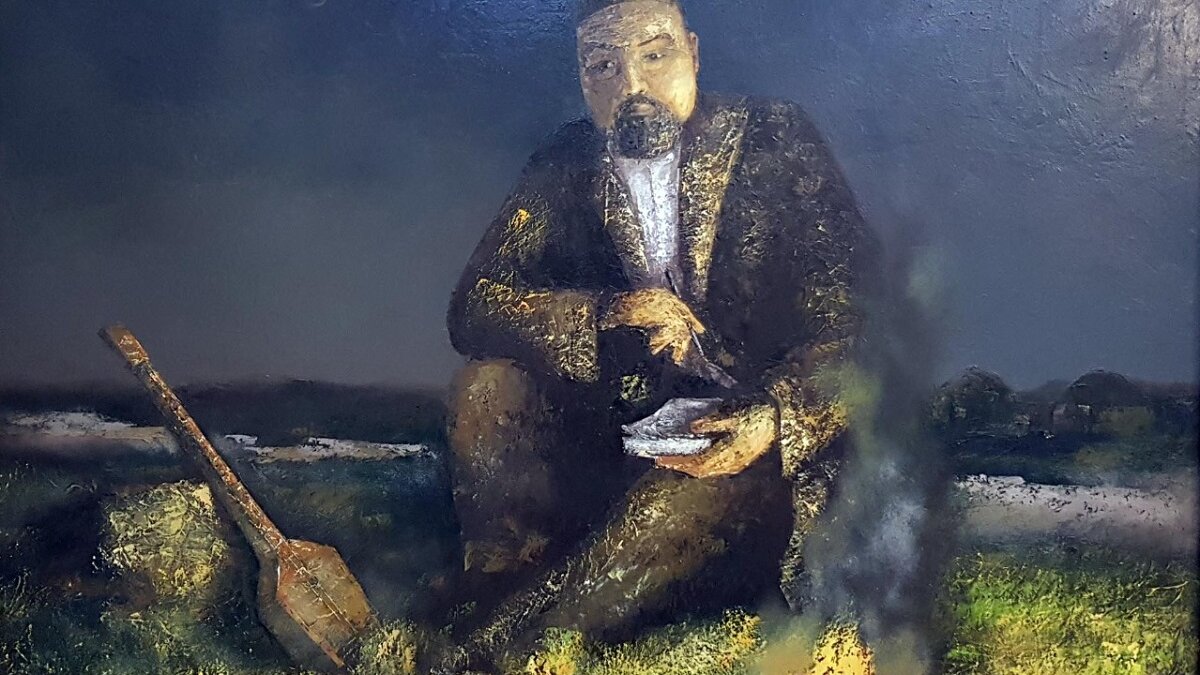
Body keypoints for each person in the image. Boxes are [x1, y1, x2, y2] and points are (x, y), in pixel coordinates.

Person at [440, 0, 876, 668]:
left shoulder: (776, 138)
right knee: (485, 387)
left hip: (754, 448)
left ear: (692, 53)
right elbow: (473, 305)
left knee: (676, 501)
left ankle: (516, 645)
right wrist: (606, 312)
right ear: (581, 76)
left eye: (654, 54)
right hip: (622, 433)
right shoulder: (565, 160)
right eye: (602, 66)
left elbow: (860, 325)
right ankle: (498, 589)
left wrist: (774, 415)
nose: (632, 87)